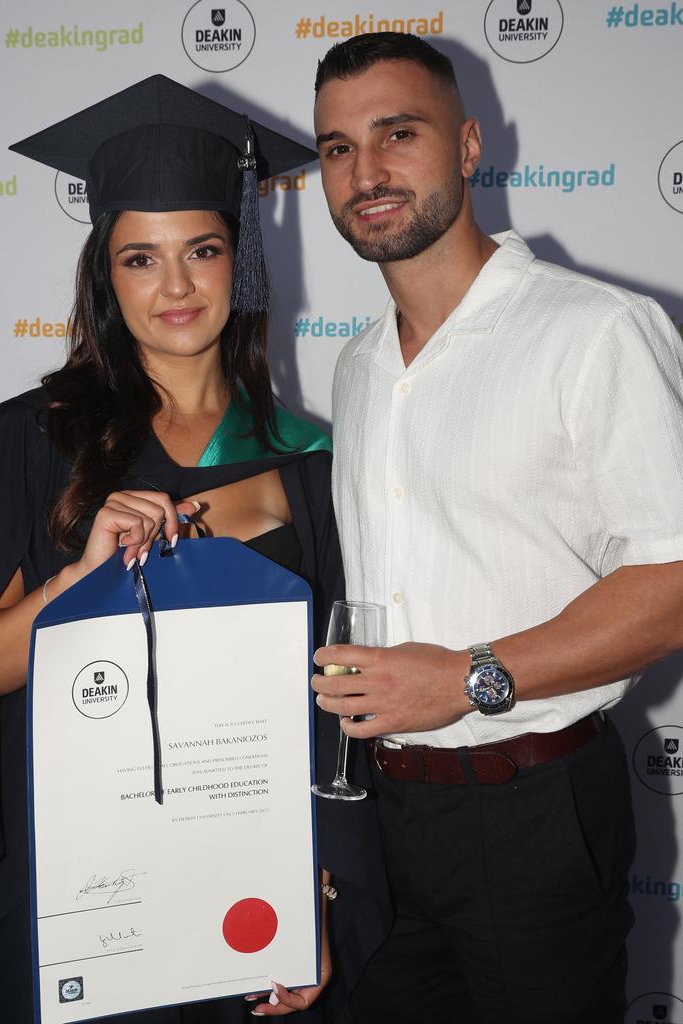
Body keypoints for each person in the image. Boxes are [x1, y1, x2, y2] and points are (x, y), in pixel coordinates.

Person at [0, 75, 389, 1024]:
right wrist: (82, 581)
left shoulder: (309, 464)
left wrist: (316, 895)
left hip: (238, 899)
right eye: (141, 258)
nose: (175, 286)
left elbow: (334, 713)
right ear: (107, 276)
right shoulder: (30, 441)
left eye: (202, 250)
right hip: (67, 892)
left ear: (240, 263)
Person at [310, 31, 683, 1024]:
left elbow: (674, 581)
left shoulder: (597, 331)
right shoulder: (354, 367)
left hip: (535, 815)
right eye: (338, 148)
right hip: (384, 818)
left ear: (470, 145)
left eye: (399, 133)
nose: (368, 171)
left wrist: (470, 675)